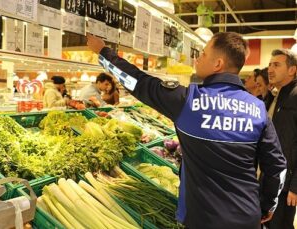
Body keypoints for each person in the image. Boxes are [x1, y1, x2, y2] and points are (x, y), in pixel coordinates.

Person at [86, 32, 287, 229]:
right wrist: (268, 205)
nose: (198, 58)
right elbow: (277, 167)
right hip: (246, 217)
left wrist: (103, 51)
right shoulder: (257, 108)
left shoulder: (187, 101)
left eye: (204, 54)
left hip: (202, 218)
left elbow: (138, 81)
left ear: (218, 64)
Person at [264, 49, 297, 229]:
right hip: (271, 178)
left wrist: (295, 186)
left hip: (285, 185)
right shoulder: (277, 95)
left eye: (276, 65)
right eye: (270, 64)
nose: (270, 69)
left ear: (292, 70)